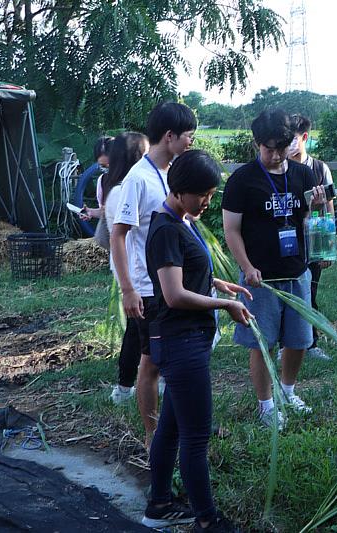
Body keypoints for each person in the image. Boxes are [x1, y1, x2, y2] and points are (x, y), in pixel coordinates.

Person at [143, 150, 251, 532]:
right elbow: (173, 295)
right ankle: (208, 520)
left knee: (172, 429)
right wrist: (224, 303)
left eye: (211, 193)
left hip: (184, 342)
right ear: (180, 190)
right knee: (195, 436)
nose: (208, 200)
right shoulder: (167, 229)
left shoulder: (180, 220)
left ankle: (158, 502)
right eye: (202, 194)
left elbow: (185, 276)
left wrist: (217, 283)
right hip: (182, 343)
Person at [222, 108, 326, 430]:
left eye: (283, 148)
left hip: (297, 272)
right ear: (257, 144)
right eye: (270, 149)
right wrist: (247, 267)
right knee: (263, 341)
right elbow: (232, 230)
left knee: (298, 339)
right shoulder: (243, 180)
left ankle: (288, 391)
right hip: (261, 277)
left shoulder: (303, 175)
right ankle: (266, 406)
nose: (278, 156)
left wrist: (317, 212)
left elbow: (307, 220)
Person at [111, 102, 196, 446]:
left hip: (174, 282)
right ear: (170, 135)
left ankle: (179, 426)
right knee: (150, 364)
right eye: (188, 135)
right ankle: (152, 436)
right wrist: (129, 290)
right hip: (148, 288)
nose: (191, 141)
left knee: (174, 360)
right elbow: (119, 234)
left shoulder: (173, 173)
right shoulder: (139, 179)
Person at [101, 132, 149, 404]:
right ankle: (124, 388)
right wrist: (129, 286)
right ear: (135, 157)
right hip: (132, 272)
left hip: (134, 271)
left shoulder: (121, 187)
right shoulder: (122, 191)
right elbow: (121, 236)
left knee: (137, 330)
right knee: (137, 332)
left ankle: (126, 387)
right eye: (145, 153)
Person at [287, 113, 334, 361]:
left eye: (292, 138)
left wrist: (326, 248)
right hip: (287, 243)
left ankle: (311, 343)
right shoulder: (280, 168)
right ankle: (287, 346)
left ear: (304, 137)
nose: (287, 144)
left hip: (313, 241)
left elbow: (329, 208)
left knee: (310, 292)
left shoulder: (319, 168)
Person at [81, 135, 114, 220]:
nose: (108, 169)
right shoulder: (102, 181)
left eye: (111, 164)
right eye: (103, 166)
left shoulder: (131, 180)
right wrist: (90, 212)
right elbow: (105, 213)